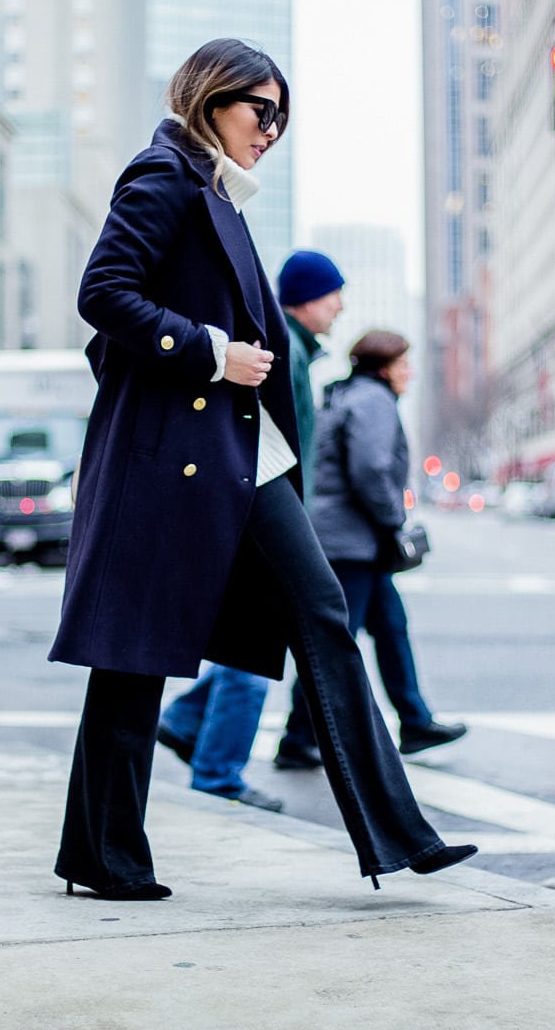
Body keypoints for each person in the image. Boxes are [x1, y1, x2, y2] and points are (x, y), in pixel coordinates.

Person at [49, 39, 475, 901]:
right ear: (210, 101)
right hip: (182, 459)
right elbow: (103, 293)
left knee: (318, 608)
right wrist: (208, 352)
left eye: (282, 116)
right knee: (130, 659)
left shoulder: (219, 197)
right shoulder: (163, 175)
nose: (273, 130)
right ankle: (102, 855)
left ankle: (399, 833)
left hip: (238, 458)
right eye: (261, 111)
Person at [155, 249, 346, 813]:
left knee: (252, 637)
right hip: (260, 513)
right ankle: (216, 773)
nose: (339, 305)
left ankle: (186, 722)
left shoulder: (297, 353)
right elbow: (273, 446)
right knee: (256, 645)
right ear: (307, 298)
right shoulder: (284, 354)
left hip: (259, 511)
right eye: (333, 293)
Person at [275, 330, 467, 769]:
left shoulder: (347, 395)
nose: (410, 373)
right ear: (383, 367)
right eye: (404, 365)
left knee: (391, 627)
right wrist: (392, 520)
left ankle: (415, 721)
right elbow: (371, 467)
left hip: (356, 542)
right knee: (334, 643)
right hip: (351, 543)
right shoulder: (373, 400)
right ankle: (298, 737)